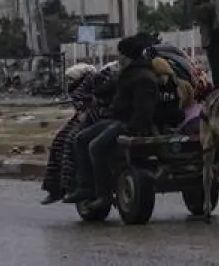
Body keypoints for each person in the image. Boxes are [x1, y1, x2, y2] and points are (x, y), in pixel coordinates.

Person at [64, 35, 161, 208]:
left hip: (127, 125)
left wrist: (129, 128)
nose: (119, 58)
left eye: (121, 55)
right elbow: (108, 88)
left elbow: (144, 111)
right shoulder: (128, 74)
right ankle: (86, 187)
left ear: (128, 56)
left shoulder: (143, 78)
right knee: (80, 139)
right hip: (115, 120)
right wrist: (95, 92)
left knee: (95, 146)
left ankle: (104, 195)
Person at [38, 62, 98, 205]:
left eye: (72, 79)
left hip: (92, 118)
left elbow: (90, 108)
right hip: (83, 118)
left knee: (69, 141)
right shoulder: (82, 88)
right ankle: (56, 188)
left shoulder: (89, 86)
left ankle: (68, 186)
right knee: (59, 142)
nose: (69, 83)